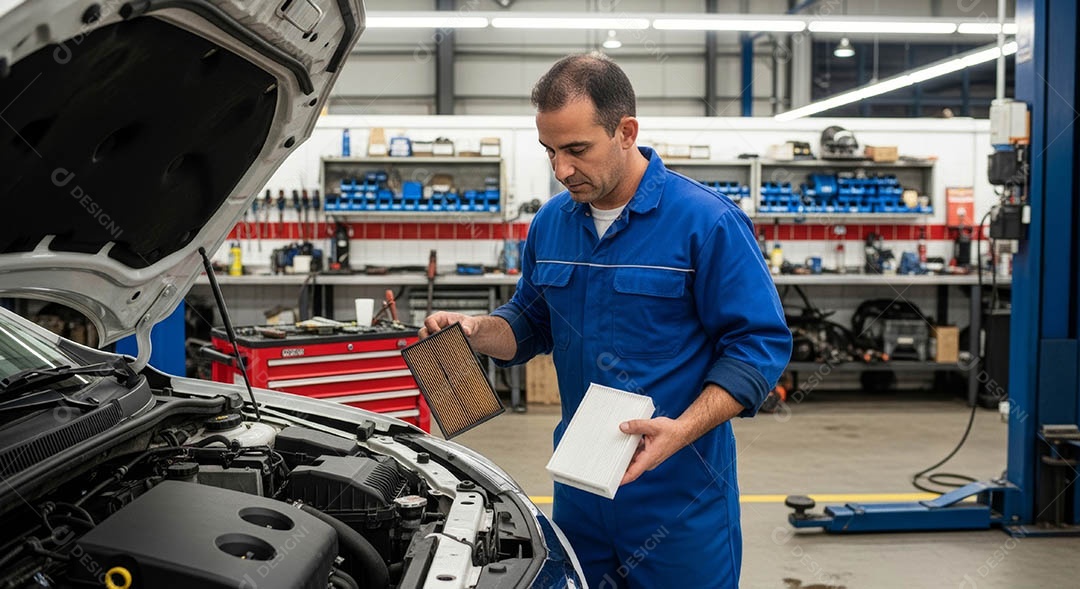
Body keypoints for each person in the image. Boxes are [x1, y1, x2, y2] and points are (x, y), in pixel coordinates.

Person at [420, 53, 791, 589]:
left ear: (626, 132)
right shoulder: (551, 223)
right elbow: (529, 323)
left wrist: (682, 430)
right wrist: (478, 330)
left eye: (576, 150)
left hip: (678, 493)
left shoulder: (707, 221)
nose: (561, 170)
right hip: (580, 486)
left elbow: (758, 345)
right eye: (549, 151)